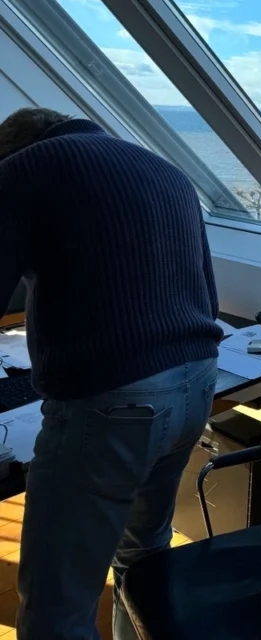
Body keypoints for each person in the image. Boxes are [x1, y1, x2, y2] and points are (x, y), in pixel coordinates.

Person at [0, 108, 222, 640]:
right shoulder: (166, 171)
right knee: (142, 554)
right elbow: (205, 293)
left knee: (58, 606)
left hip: (116, 405)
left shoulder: (24, 169)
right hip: (196, 387)